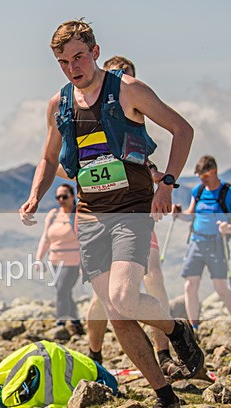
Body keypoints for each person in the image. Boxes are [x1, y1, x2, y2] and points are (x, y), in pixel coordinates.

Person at [19, 19, 203, 408]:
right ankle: (165, 397)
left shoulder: (128, 90)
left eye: (79, 57)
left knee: (122, 297)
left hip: (132, 211)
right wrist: (35, 194)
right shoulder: (59, 104)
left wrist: (168, 183)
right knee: (117, 313)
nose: (73, 67)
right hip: (90, 215)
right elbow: (49, 158)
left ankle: (176, 330)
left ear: (96, 51)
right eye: (63, 62)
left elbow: (182, 130)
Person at [80, 56, 174, 374]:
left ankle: (164, 352)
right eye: (119, 80)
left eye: (131, 80)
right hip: (102, 216)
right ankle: (94, 354)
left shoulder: (136, 110)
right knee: (108, 298)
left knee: (154, 278)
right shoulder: (92, 113)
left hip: (136, 215)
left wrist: (162, 188)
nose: (126, 87)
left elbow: (147, 165)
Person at [177, 155, 231, 329]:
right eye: (200, 177)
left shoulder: (227, 192)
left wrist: (227, 227)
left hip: (217, 244)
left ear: (213, 172)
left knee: (220, 287)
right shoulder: (198, 191)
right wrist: (178, 213)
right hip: (196, 242)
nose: (202, 180)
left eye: (205, 176)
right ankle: (194, 327)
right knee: (190, 285)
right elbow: (190, 215)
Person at [34, 183, 84, 334]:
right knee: (65, 292)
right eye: (58, 197)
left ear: (73, 196)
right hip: (54, 261)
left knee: (62, 290)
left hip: (73, 261)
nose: (61, 200)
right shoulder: (53, 215)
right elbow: (46, 238)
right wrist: (38, 258)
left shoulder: (79, 215)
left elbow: (85, 240)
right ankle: (76, 323)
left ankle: (60, 323)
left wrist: (85, 264)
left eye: (64, 196)